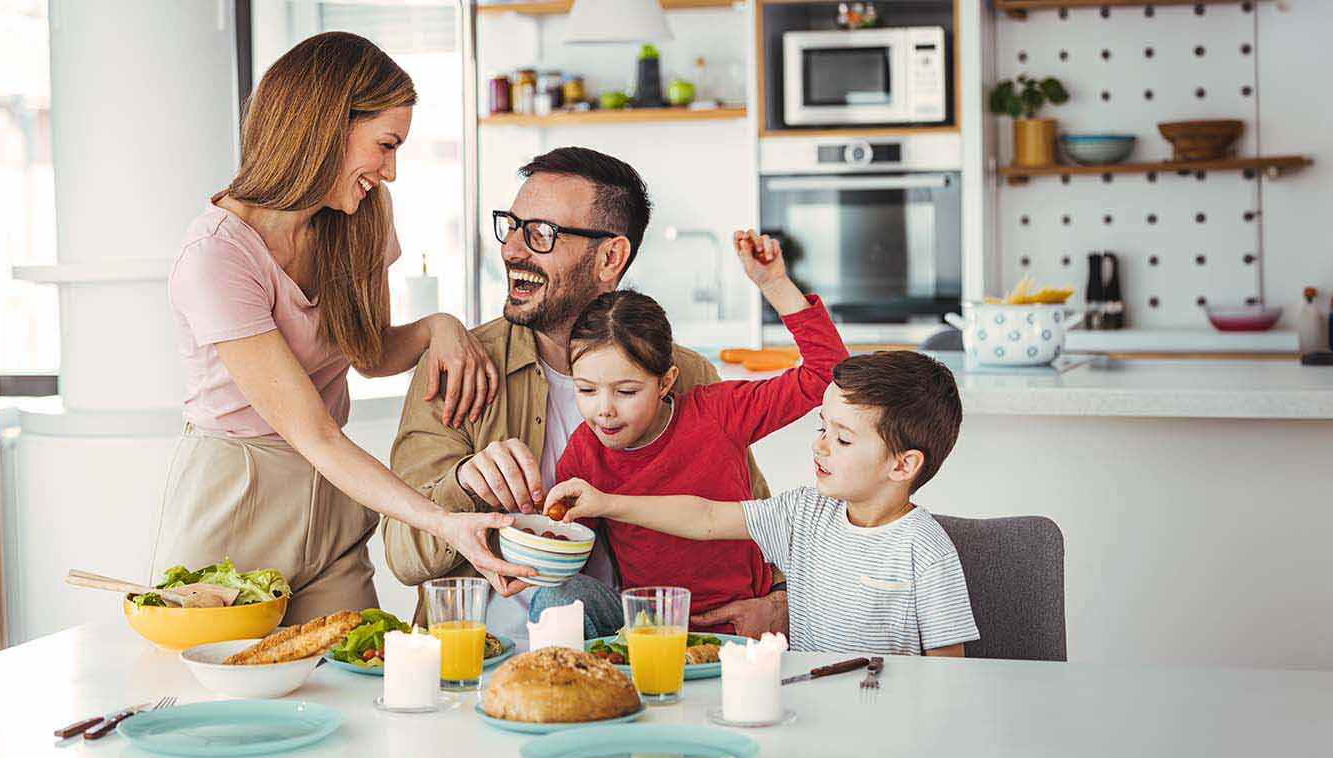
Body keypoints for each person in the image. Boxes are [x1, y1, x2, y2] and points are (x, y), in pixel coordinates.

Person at [153, 32, 534, 626]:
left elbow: (368, 352)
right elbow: (312, 433)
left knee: (361, 679)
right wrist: (440, 521)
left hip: (330, 499)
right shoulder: (217, 257)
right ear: (327, 124)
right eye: (385, 146)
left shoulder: (358, 218)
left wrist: (440, 326)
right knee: (221, 705)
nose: (391, 171)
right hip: (237, 497)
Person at [381, 147, 786, 642]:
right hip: (481, 659)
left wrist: (778, 604)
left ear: (610, 257)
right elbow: (402, 556)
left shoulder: (686, 376)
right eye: (511, 226)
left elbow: (760, 523)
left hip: (639, 654)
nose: (512, 250)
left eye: (541, 234)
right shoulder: (460, 367)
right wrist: (463, 483)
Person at [548, 351, 980, 655]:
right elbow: (706, 516)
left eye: (843, 439)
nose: (822, 448)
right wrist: (606, 502)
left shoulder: (925, 550)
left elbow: (948, 672)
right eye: (822, 429)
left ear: (903, 466)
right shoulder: (804, 512)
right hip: (807, 703)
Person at [538, 230, 847, 638]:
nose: (604, 409)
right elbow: (570, 547)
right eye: (586, 390)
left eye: (626, 391)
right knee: (555, 598)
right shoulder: (584, 452)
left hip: (736, 623)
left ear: (666, 383)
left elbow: (828, 372)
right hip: (647, 626)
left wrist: (774, 284)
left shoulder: (719, 414)